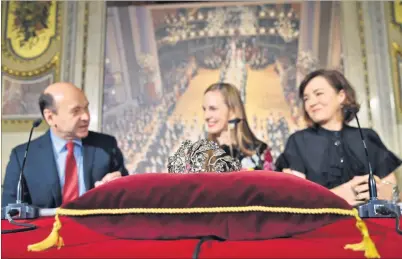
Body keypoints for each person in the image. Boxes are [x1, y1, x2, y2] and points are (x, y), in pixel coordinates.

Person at [275, 69, 401, 206]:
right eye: (306, 98)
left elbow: (394, 189)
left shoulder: (367, 136)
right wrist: (339, 195)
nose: (311, 102)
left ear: (341, 96)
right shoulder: (297, 141)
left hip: (374, 224)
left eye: (319, 93)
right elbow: (297, 203)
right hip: (325, 225)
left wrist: (389, 193)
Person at [2, 82, 129, 208]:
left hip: (96, 227)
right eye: (76, 111)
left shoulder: (106, 146)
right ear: (50, 117)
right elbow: (10, 212)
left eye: (86, 108)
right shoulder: (22, 157)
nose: (86, 116)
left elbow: (128, 197)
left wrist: (117, 188)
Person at [202, 82, 274, 171]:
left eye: (213, 109)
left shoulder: (260, 151)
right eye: (204, 109)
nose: (206, 116)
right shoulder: (198, 154)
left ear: (233, 111)